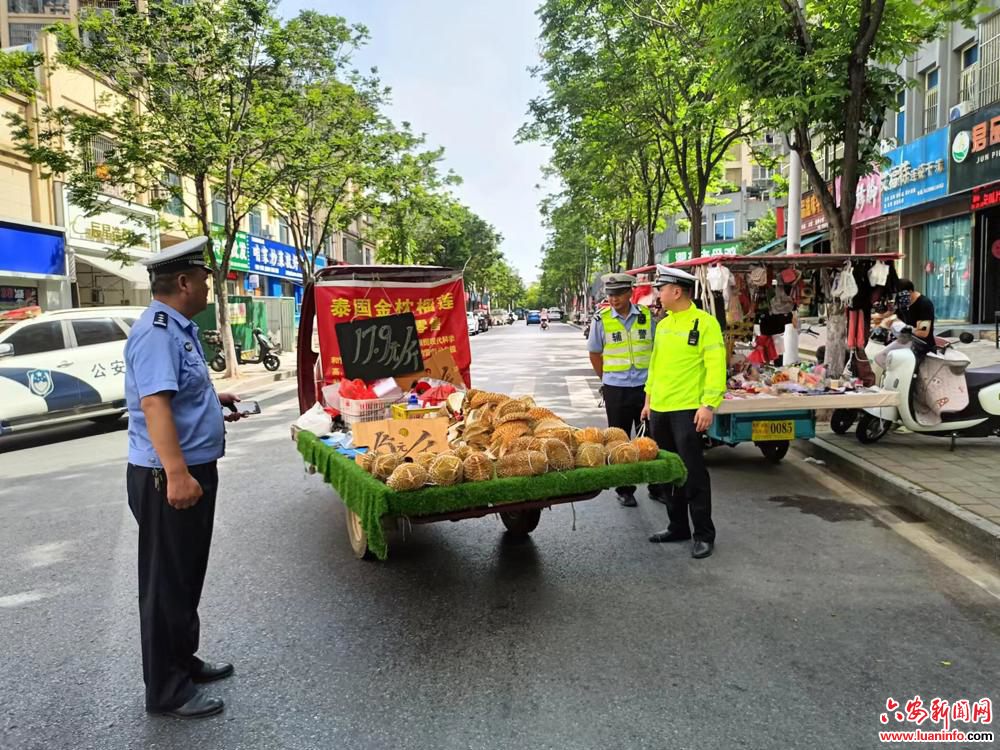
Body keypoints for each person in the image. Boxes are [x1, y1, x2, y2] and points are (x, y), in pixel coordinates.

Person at [125, 236, 246, 719]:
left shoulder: (179, 329)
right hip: (167, 477)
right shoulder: (157, 331)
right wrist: (176, 473)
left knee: (186, 572)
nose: (208, 288)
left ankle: (183, 660)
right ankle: (166, 690)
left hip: (191, 468)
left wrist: (217, 404)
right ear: (182, 282)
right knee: (165, 582)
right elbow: (154, 404)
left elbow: (179, 395)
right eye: (203, 280)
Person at [641, 265, 726, 559]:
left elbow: (716, 366)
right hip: (660, 410)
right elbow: (655, 365)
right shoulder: (663, 325)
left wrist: (708, 404)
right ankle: (677, 527)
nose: (657, 295)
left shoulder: (705, 324)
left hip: (688, 411)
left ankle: (703, 534)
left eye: (661, 289)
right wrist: (648, 400)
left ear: (677, 292)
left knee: (693, 474)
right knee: (668, 472)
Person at [588, 273, 656, 507]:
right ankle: (625, 489)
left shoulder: (647, 317)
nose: (614, 299)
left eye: (618, 294)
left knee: (649, 438)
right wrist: (605, 378)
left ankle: (656, 486)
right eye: (610, 294)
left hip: (645, 388)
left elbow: (657, 351)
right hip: (616, 389)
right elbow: (595, 353)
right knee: (620, 439)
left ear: (630, 293)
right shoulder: (601, 319)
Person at [873, 279, 935, 369]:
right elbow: (891, 314)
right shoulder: (904, 303)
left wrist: (904, 326)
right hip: (906, 340)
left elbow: (923, 333)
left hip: (921, 345)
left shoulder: (924, 304)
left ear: (909, 292)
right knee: (880, 358)